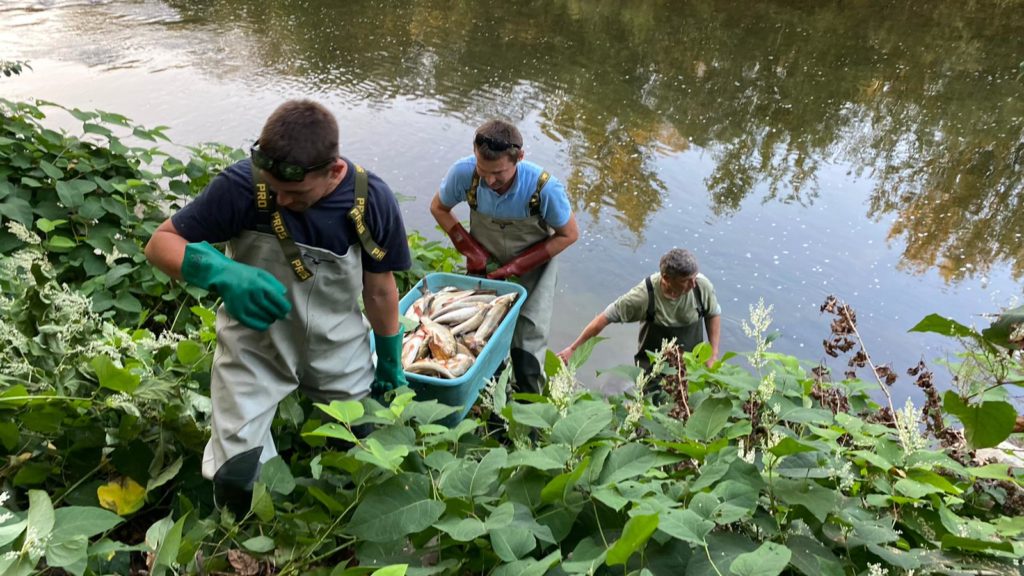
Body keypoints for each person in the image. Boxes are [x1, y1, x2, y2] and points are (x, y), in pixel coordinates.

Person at [144, 99, 411, 514]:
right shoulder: (241, 186)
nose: (281, 200)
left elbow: (379, 291)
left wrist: (391, 359)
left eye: (296, 192)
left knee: (367, 445)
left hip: (337, 346)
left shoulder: (370, 201)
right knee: (235, 473)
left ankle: (341, 529)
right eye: (275, 188)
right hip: (254, 348)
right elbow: (160, 243)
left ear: (334, 171)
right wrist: (220, 272)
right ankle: (248, 539)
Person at [430, 120, 578, 394]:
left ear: (519, 158)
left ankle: (529, 417)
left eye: (498, 173)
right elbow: (439, 207)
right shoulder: (464, 174)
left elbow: (569, 234)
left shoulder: (543, 188)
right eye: (482, 170)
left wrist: (516, 266)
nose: (489, 180)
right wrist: (470, 250)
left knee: (527, 341)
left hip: (534, 274)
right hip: (484, 267)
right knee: (476, 337)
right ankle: (487, 401)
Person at [557, 248, 721, 378]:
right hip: (653, 371)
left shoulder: (701, 287)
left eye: (694, 277)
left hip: (691, 368)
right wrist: (573, 348)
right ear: (666, 278)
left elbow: (713, 313)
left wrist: (713, 354)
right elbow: (604, 318)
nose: (693, 284)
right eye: (686, 281)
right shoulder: (644, 296)